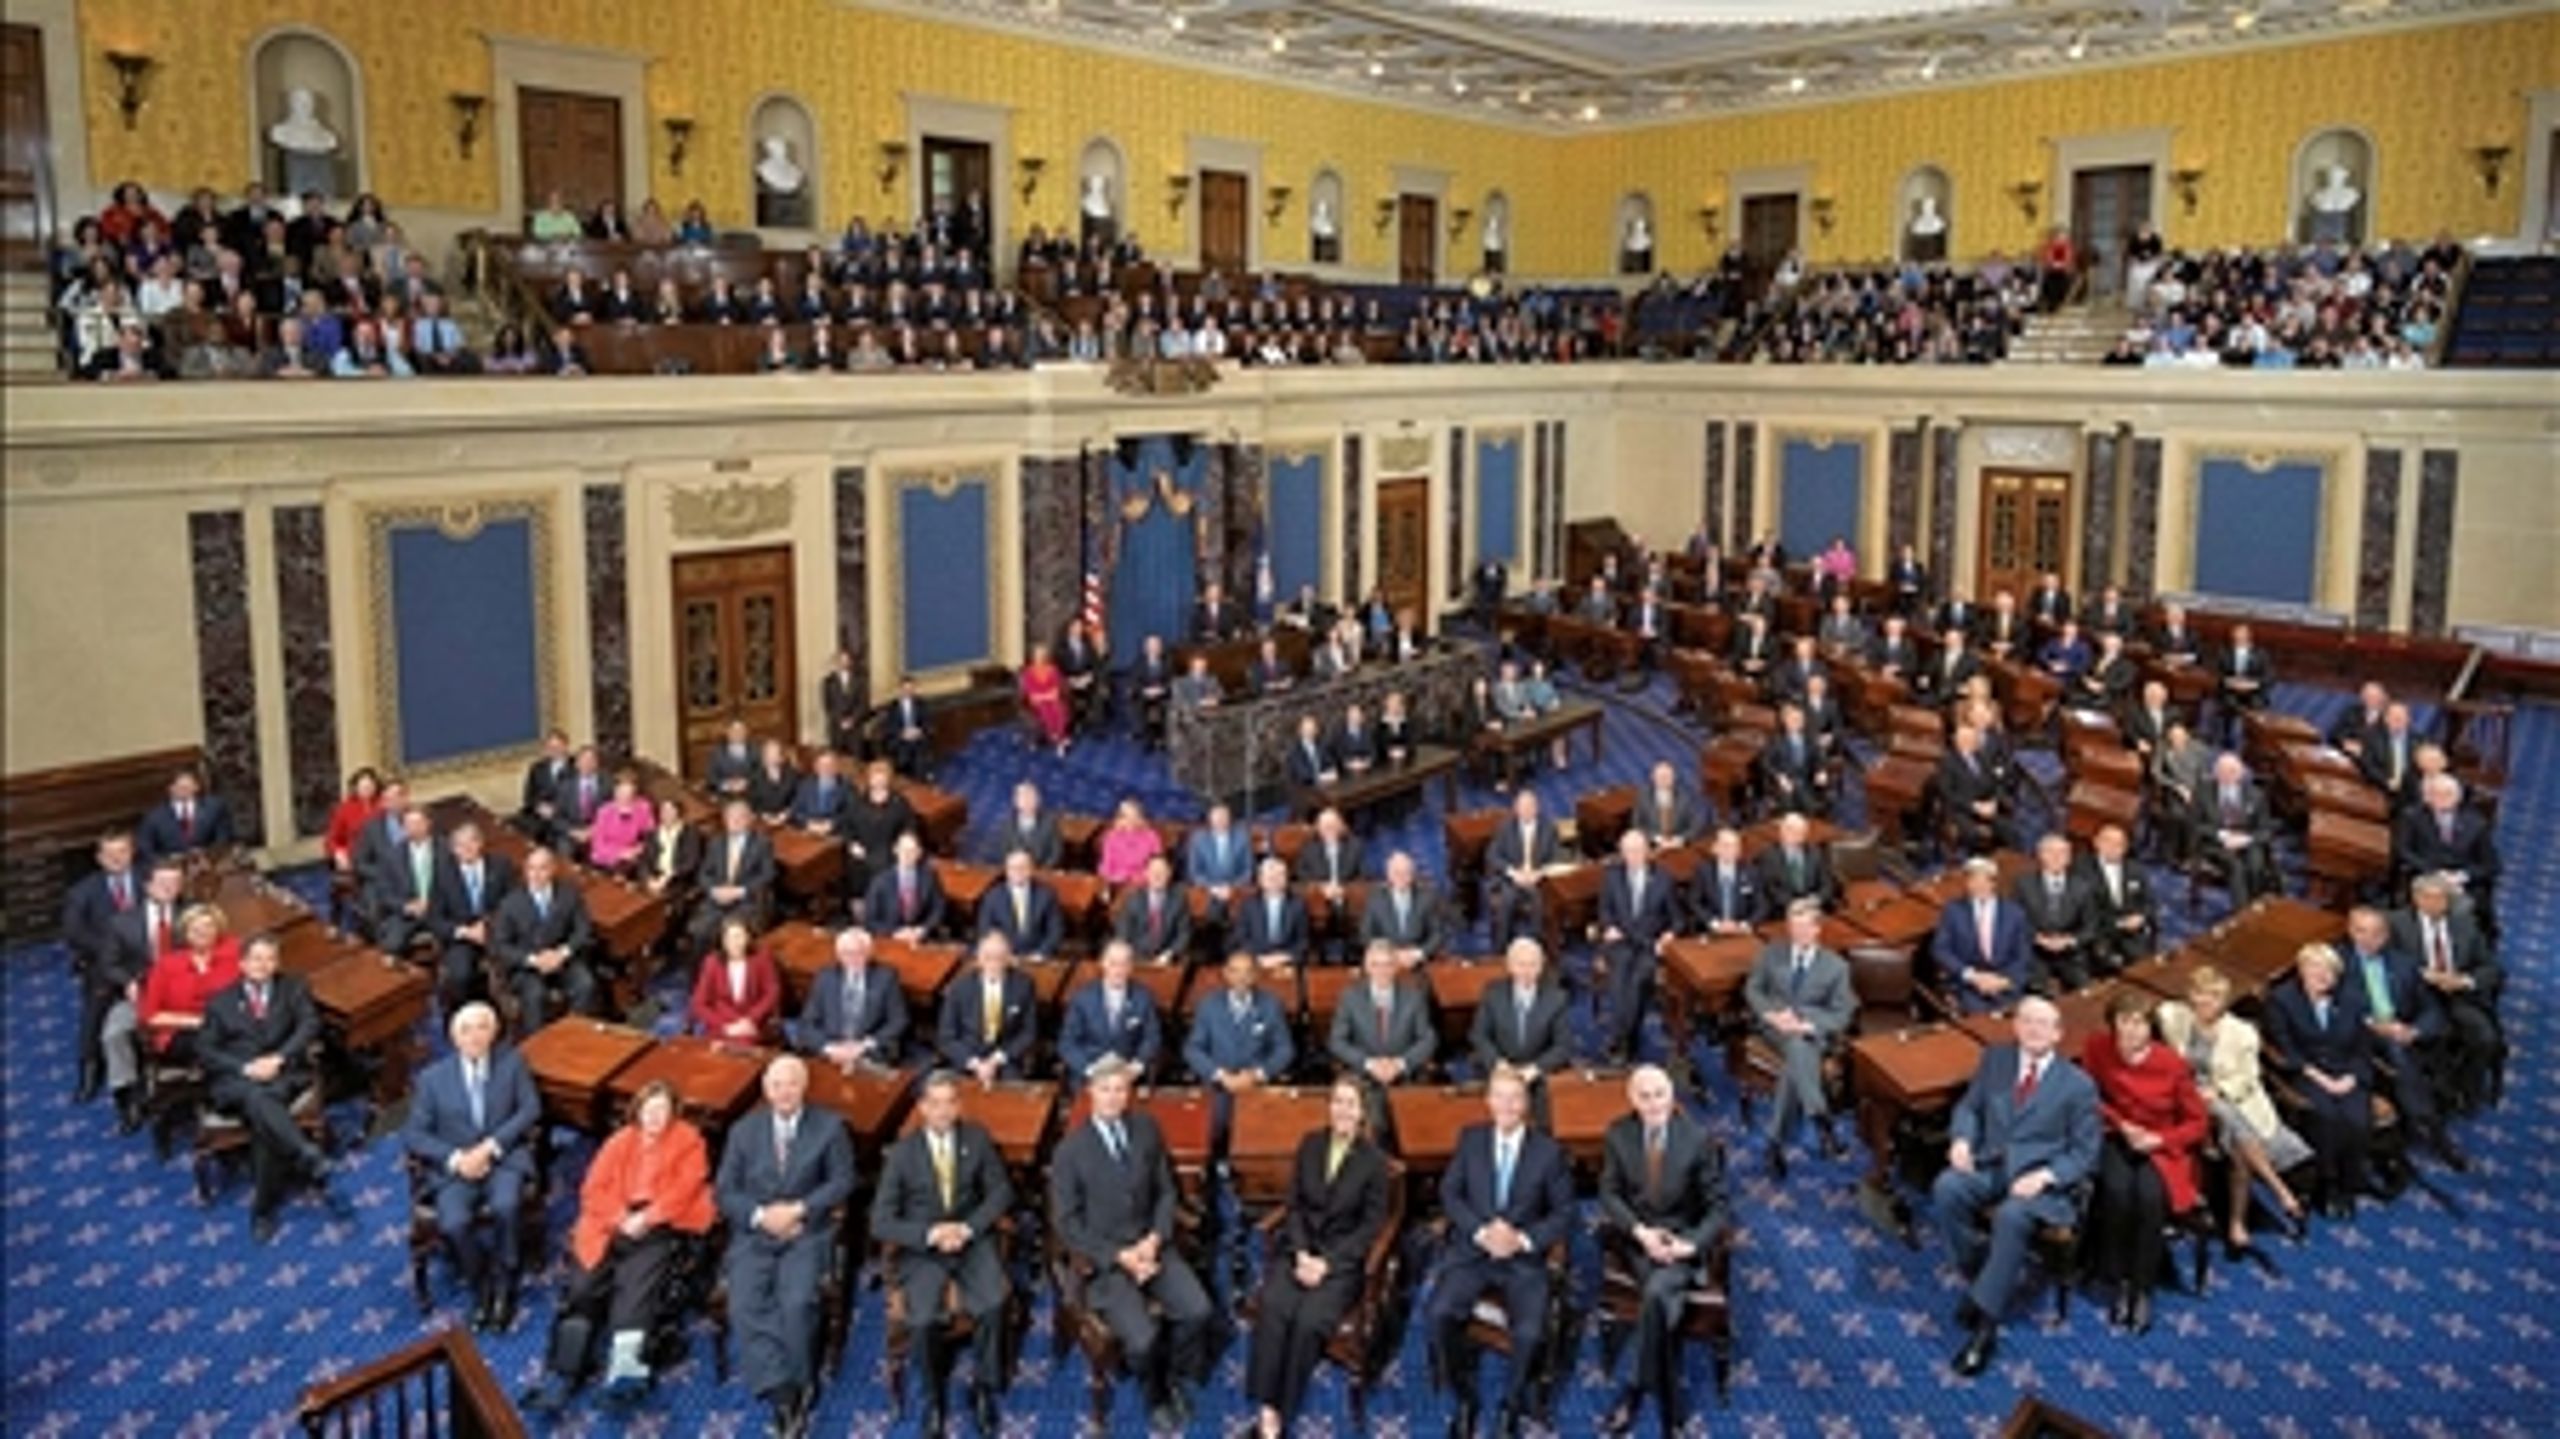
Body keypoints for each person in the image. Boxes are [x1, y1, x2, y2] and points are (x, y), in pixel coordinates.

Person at [1934, 996, 2102, 1378]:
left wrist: (2045, 1176)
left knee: (2011, 1216)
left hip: (2042, 1185)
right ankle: (1982, 1272)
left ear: (2058, 1034)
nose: (2033, 1029)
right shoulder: (1997, 1059)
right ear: (2015, 1026)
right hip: (1993, 1165)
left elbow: (2085, 1154)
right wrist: (1961, 1139)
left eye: (2043, 1023)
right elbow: (1969, 1108)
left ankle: (1985, 1327)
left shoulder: (2078, 1086)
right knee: (1947, 1188)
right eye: (2026, 1020)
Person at [526, 1079, 715, 1413]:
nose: (655, 1116)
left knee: (634, 1290)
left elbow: (686, 1188)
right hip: (612, 1221)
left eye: (663, 1110)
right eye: (649, 1109)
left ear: (673, 1113)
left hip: (661, 1223)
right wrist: (619, 1216)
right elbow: (592, 1189)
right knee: (583, 1288)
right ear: (637, 1110)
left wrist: (647, 1217)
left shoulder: (689, 1140)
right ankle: (565, 1372)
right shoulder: (619, 1142)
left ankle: (625, 1372)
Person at [1051, 1057, 1213, 1430]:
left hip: (1151, 1244)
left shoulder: (1146, 1128)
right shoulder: (1070, 1152)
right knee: (1142, 1340)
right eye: (1105, 1090)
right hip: (1107, 1262)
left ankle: (1173, 1374)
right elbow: (1068, 1224)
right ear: (1091, 1093)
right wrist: (1120, 1256)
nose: (1112, 1098)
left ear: (1130, 1094)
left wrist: (1155, 1238)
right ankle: (1155, 1394)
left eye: (1119, 1090)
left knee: (1198, 1310)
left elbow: (1167, 1191)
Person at [1428, 1069, 1575, 1439]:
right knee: (1438, 1314)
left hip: (1522, 1260)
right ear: (1488, 1101)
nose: (1507, 1105)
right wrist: (1480, 1232)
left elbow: (1564, 1213)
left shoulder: (1549, 1152)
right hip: (1473, 1252)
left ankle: (1511, 1405)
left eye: (1515, 1098)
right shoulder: (1470, 1139)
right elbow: (1450, 1194)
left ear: (1525, 1104)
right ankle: (1465, 1398)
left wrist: (1523, 1239)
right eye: (1500, 1097)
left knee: (1529, 1333)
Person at [716, 1055, 856, 1439]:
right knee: (744, 1305)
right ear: (766, 1089)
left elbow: (843, 1180)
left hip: (806, 1232)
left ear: (804, 1086)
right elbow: (726, 1191)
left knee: (796, 1304)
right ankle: (780, 1389)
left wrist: (799, 1209)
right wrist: (762, 1216)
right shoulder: (743, 1131)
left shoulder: (829, 1128)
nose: (784, 1092)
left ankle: (797, 1388)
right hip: (756, 1233)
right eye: (777, 1084)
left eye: (792, 1083)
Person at [1244, 1075, 1391, 1438]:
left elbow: (1370, 1227)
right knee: (1275, 1306)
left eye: (1350, 1104)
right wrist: (1302, 1252)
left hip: (1339, 1264)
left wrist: (1328, 1263)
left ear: (1363, 1113)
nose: (1342, 1110)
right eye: (1337, 1102)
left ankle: (1284, 1404)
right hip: (1300, 1250)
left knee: (1309, 1322)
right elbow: (1293, 1206)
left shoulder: (1374, 1163)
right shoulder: (1310, 1144)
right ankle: (1266, 1408)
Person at [871, 1069, 1015, 1433]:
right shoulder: (902, 1153)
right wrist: (930, 1234)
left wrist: (968, 1228)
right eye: (934, 1104)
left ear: (959, 1105)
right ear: (922, 1108)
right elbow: (881, 1221)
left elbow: (1001, 1193)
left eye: (950, 1102)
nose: (943, 1111)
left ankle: (984, 1387)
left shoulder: (977, 1139)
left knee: (993, 1303)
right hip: (925, 1248)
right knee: (921, 1321)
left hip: (971, 1238)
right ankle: (933, 1398)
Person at [1597, 1065, 1728, 1438]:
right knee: (1661, 1302)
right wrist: (1640, 1233)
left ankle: (1636, 1389)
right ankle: (1671, 1410)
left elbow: (1719, 1207)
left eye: (1660, 1094)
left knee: (1656, 1295)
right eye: (1645, 1096)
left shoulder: (1697, 1138)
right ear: (1632, 1099)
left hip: (1680, 1244)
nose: (1654, 1103)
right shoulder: (1618, 1135)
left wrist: (1691, 1245)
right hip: (1638, 1244)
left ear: (1672, 1097)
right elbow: (1609, 1194)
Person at [199, 933, 347, 1243]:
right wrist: (245, 1068)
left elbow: (310, 1025)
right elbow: (206, 1050)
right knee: (258, 1098)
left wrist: (279, 1058)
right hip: (237, 1081)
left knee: (263, 1117)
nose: (262, 965)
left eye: (269, 959)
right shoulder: (220, 1001)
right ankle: (304, 1153)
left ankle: (263, 1209)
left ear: (277, 963)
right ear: (242, 963)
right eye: (256, 959)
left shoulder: (294, 988)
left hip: (282, 1075)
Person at [404, 1003, 542, 1332]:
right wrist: (456, 1159)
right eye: (466, 1029)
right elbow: (414, 1133)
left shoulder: (512, 1063)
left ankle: (506, 1283)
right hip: (456, 1168)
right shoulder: (432, 1079)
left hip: (503, 1158)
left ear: (493, 1032)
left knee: (507, 1205)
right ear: (453, 1037)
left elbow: (529, 1109)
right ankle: (481, 1284)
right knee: (454, 1223)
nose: (475, 1036)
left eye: (482, 1027)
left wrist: (490, 1148)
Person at [2156, 966, 2309, 1254]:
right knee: (2225, 1119)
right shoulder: (2175, 1017)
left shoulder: (2242, 1033)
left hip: (2231, 1097)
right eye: (2199, 994)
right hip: (2185, 1097)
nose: (2205, 1002)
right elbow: (2161, 1007)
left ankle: (2237, 1222)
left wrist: (2219, 1090)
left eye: (2214, 997)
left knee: (2234, 1140)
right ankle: (2279, 1193)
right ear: (2190, 995)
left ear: (2224, 1001)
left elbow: (2248, 1078)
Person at [2081, 990, 2205, 1333]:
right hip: (2117, 1135)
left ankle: (2142, 1288)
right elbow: (2088, 1095)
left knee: (2150, 1200)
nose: (2133, 1031)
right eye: (2125, 1022)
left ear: (2152, 1028)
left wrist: (2159, 1139)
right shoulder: (2098, 1047)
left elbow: (2198, 1123)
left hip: (2162, 1145)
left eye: (2140, 1023)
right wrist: (2121, 1124)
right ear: (2114, 1024)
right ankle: (2119, 1280)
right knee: (2118, 1193)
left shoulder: (2171, 1064)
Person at [2335, 906, 2465, 1170]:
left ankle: (2423, 1113)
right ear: (2350, 931)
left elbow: (2431, 1009)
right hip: (2362, 1036)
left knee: (2408, 1047)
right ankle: (2427, 1121)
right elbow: (2332, 1008)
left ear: (2385, 936)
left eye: (2375, 933)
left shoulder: (2403, 963)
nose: (2367, 939)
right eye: (2360, 931)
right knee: (2399, 1053)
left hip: (2405, 1031)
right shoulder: (2338, 964)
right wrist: (2372, 1024)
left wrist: (2413, 1031)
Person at [1749, 900, 1854, 1179]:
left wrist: (1809, 1025)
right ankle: (1820, 1117)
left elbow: (1843, 1013)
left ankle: (1775, 1143)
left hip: (1810, 1035)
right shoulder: (1772, 954)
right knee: (1797, 1051)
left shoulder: (1836, 967)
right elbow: (1753, 989)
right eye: (1793, 927)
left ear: (1817, 929)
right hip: (1775, 1029)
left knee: (1796, 1055)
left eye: (1804, 927)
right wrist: (1771, 1015)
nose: (1797, 933)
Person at [2392, 874, 2503, 1112]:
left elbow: (2492, 968)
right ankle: (2438, 1095)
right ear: (2417, 898)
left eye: (2443, 899)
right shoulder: (2396, 924)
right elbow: (2389, 964)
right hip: (2417, 997)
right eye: (2432, 898)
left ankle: (2468, 1090)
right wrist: (2424, 975)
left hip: (2458, 996)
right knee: (2431, 1042)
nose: (2439, 904)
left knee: (2485, 1038)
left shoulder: (2465, 924)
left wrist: (2465, 980)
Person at [1186, 949, 1296, 1155]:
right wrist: (1220, 1075)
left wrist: (1257, 1074)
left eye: (1247, 972)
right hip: (1218, 1085)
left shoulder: (1271, 1005)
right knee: (1211, 1127)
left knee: (1263, 1138)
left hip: (1256, 1085)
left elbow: (1285, 1049)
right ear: (1226, 974)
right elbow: (1193, 1049)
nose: (1241, 978)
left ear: (1255, 975)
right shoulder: (1208, 1005)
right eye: (1235, 971)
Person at [1329, 940, 1435, 1133]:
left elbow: (1428, 1039)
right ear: (1366, 967)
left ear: (1396, 967)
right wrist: (1369, 1064)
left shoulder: (1414, 997)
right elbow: (1336, 1041)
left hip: (1404, 1077)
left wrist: (1400, 1064)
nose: (1382, 971)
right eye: (1376, 965)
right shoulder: (1350, 997)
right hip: (1364, 1078)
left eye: (1387, 965)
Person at [1599, 830, 1680, 1062]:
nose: (1632, 856)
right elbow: (1604, 911)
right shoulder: (1611, 876)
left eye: (1637, 851)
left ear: (1647, 852)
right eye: (1627, 851)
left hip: (1649, 945)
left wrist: (1669, 935)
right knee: (1618, 982)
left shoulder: (1664, 878)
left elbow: (1677, 919)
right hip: (1621, 942)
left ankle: (1622, 1039)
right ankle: (1625, 1038)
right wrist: (1608, 927)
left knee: (1637, 981)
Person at [427, 822, 516, 1018]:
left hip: (497, 933)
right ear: (453, 849)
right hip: (461, 936)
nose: (467, 849)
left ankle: (503, 1020)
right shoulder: (443, 873)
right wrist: (464, 932)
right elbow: (434, 918)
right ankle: (464, 1020)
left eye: (472, 842)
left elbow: (513, 906)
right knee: (460, 974)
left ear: (481, 843)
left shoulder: (501, 865)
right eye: (460, 845)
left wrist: (489, 926)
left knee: (514, 968)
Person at [1470, 936, 1571, 1107]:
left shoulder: (1557, 998)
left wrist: (1535, 1069)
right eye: (1521, 964)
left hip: (1537, 1072)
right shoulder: (1493, 993)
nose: (1526, 971)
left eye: (1533, 965)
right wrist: (1497, 1063)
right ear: (1509, 966)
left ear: (1541, 967)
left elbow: (1563, 1046)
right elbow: (1478, 1035)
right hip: (1499, 1068)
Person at [938, 933, 1039, 1085]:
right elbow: (946, 1037)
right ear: (978, 959)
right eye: (987, 957)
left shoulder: (1023, 986)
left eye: (999, 958)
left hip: (1005, 1058)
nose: (993, 964)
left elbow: (1029, 1032)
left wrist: (997, 1060)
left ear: (1009, 959)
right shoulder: (959, 988)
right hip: (967, 1058)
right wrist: (976, 1064)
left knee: (1014, 1097)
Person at [1059, 940, 1163, 1084]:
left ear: (1131, 967)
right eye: (1113, 964)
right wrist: (1089, 1069)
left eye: (1124, 964)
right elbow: (1067, 1043)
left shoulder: (1143, 997)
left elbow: (1152, 1038)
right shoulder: (1082, 998)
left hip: (1128, 1073)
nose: (1118, 970)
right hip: (1090, 1073)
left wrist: (1137, 1066)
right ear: (1103, 964)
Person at [692, 799, 778, 954]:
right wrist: (714, 890)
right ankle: (701, 975)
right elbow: (703, 873)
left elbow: (768, 874)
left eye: (740, 818)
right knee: (699, 931)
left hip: (747, 902)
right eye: (731, 818)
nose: (735, 822)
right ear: (724, 820)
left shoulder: (762, 843)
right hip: (717, 900)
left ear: (749, 820)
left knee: (730, 934)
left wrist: (741, 891)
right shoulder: (715, 842)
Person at [2015, 833, 2098, 992]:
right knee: (2037, 989)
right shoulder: (2023, 885)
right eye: (2050, 852)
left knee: (2083, 989)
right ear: (2040, 855)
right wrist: (2037, 938)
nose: (2057, 857)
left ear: (2069, 858)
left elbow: (2091, 926)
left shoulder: (2082, 887)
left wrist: (2070, 940)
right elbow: (2016, 922)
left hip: (2070, 954)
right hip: (2035, 952)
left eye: (2062, 853)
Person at [2193, 753, 2278, 902]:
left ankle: (2255, 905)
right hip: (2216, 843)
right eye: (2223, 771)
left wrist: (2247, 839)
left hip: (2247, 841)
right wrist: (2222, 836)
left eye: (2233, 771)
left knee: (2255, 865)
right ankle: (2241, 914)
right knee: (2236, 867)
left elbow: (2266, 830)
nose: (2228, 775)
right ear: (2216, 773)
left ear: (2241, 773)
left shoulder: (2256, 795)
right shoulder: (2203, 792)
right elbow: (2195, 824)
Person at [2078, 823, 2157, 976]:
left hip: (2132, 933)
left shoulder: (2136, 869)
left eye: (2119, 844)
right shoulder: (2082, 870)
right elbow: (2085, 911)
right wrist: (2117, 924)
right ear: (2097, 843)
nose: (2113, 847)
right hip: (2100, 933)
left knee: (2144, 968)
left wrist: (2141, 916)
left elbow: (2149, 902)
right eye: (2108, 842)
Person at [1486, 789, 1560, 948]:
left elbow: (1557, 857)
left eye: (1530, 807)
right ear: (1516, 809)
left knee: (1539, 903)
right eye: (1522, 807)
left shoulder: (1549, 828)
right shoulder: (1505, 828)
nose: (1526, 811)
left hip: (1537, 879)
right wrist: (1513, 873)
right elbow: (1493, 856)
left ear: (1537, 808)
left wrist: (1539, 873)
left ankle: (1535, 947)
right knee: (1506, 901)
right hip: (1512, 879)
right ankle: (1501, 947)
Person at [690, 917, 783, 1044]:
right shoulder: (712, 962)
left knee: (744, 1045)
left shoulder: (761, 958)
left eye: (739, 936)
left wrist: (750, 1019)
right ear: (722, 941)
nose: (735, 943)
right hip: (721, 1024)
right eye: (729, 938)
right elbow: (699, 1003)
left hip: (752, 1023)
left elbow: (772, 992)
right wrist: (725, 1027)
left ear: (748, 937)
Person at [838, 762, 914, 904]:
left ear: (888, 780)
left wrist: (901, 845)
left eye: (882, 778)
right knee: (854, 869)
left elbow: (909, 827)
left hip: (889, 851)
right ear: (869, 779)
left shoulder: (899, 803)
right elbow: (846, 827)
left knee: (885, 870)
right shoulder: (857, 801)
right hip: (862, 851)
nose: (878, 781)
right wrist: (852, 844)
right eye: (875, 778)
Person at [976, 848, 1064, 962]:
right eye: (1013, 868)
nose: (1018, 872)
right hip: (1004, 959)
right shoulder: (992, 896)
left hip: (1038, 958)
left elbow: (1055, 931)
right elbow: (985, 930)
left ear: (1031, 869)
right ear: (1006, 870)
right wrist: (1004, 955)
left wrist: (1040, 954)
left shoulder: (1046, 895)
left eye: (1022, 867)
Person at [1359, 851, 1441, 968]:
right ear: (1388, 874)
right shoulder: (1375, 899)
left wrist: (1418, 954)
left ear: (1412, 874)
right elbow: (1365, 935)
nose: (1401, 877)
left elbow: (1437, 934)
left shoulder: (1427, 898)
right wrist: (1390, 954)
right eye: (1397, 873)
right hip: (1385, 962)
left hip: (1419, 963)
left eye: (1406, 873)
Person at [136, 768, 236, 864]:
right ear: (170, 788)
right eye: (179, 787)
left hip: (209, 865)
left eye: (187, 787)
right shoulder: (154, 816)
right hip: (171, 868)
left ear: (197, 787)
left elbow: (224, 836)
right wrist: (165, 863)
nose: (183, 790)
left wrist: (210, 855)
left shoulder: (214, 807)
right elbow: (145, 847)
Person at [1234, 857, 1312, 980]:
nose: (1274, 880)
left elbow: (1303, 941)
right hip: (1255, 962)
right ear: (1260, 879)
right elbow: (1241, 938)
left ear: (1286, 878)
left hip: (1287, 963)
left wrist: (1285, 957)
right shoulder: (1248, 905)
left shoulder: (1298, 905)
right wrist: (1258, 958)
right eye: (1269, 876)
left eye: (1279, 875)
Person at [864, 830, 946, 942]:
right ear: (895, 850)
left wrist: (923, 929)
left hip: (922, 938)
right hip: (890, 939)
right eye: (904, 850)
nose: (907, 855)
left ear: (919, 853)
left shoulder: (929, 878)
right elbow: (870, 920)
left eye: (912, 851)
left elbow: (938, 908)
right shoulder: (880, 881)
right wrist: (894, 933)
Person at [1114, 853, 1193, 966]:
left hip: (1167, 958)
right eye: (1153, 871)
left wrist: (1169, 954)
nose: (1157, 875)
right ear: (1146, 873)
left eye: (1162, 871)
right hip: (1136, 958)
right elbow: (1123, 933)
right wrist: (1133, 956)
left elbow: (1184, 933)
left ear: (1169, 874)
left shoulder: (1179, 900)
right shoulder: (1133, 899)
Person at [1686, 828, 1765, 936]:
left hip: (1742, 931)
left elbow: (1761, 905)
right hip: (1711, 931)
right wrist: (1715, 924)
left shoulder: (1751, 872)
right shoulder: (1703, 872)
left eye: (1735, 846)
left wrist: (1744, 925)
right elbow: (1694, 902)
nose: (1730, 850)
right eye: (1725, 845)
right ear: (1715, 848)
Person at [1096, 799, 1163, 888]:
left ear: (1141, 817)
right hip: (1117, 883)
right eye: (1125, 816)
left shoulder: (1152, 837)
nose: (1130, 820)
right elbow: (1106, 865)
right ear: (1119, 818)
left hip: (1144, 885)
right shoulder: (1111, 837)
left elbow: (1157, 864)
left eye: (1135, 815)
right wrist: (1112, 878)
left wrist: (1141, 878)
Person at [997, 781, 1064, 869]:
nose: (1027, 802)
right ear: (1016, 802)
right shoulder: (1007, 824)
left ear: (1038, 800)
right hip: (1016, 872)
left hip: (1043, 871)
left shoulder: (1050, 822)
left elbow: (1056, 852)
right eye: (1023, 798)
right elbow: (1004, 853)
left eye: (1030, 798)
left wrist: (1044, 869)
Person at [1021, 642, 1072, 754]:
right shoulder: (1028, 673)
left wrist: (1047, 695)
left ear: (1046, 656)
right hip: (1037, 702)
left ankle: (1058, 738)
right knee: (1045, 710)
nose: (1040, 657)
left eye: (1042, 655)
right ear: (1033, 656)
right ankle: (1060, 740)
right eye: (1037, 655)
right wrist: (1046, 696)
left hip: (1052, 699)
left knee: (1059, 710)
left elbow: (1057, 691)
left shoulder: (1053, 670)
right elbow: (1031, 695)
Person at [880, 677, 935, 779]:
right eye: (905, 689)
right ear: (900, 690)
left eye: (910, 689)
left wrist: (919, 731)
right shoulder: (893, 707)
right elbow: (889, 727)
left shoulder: (921, 704)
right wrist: (902, 733)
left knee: (921, 759)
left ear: (914, 689)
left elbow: (928, 723)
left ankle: (921, 782)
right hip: (900, 742)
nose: (908, 692)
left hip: (918, 740)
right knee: (902, 757)